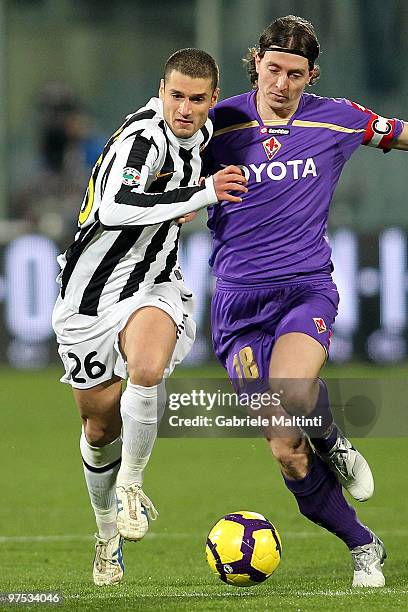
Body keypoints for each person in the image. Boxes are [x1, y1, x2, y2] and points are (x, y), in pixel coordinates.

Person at [203, 15, 408, 588]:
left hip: (304, 289)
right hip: (239, 307)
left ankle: (330, 438)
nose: (282, 84)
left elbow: (397, 132)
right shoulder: (218, 124)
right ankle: (363, 540)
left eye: (295, 74)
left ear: (310, 75)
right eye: (273, 70)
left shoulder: (337, 118)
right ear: (256, 65)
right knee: (286, 449)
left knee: (292, 393)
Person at [52, 48, 247, 586]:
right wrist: (201, 193)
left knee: (147, 369)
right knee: (97, 425)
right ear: (161, 91)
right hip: (88, 298)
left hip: (153, 284)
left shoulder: (205, 135)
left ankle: (132, 487)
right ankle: (105, 534)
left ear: (212, 99)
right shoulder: (143, 137)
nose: (184, 109)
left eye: (197, 99)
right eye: (176, 95)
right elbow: (113, 208)